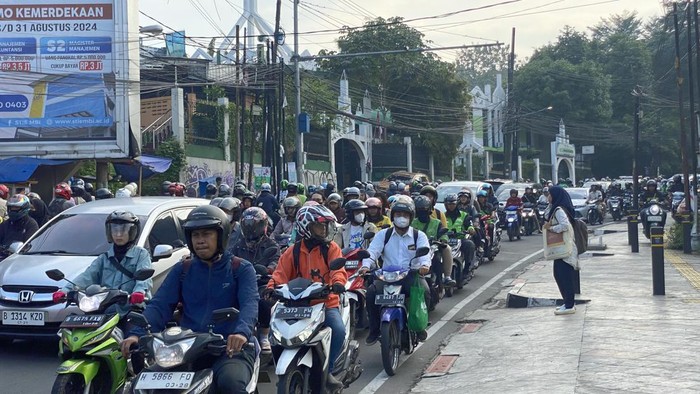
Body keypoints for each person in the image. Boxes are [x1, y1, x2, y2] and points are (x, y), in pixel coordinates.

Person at [120, 205, 259, 393]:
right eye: (195, 235)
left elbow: (250, 304)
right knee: (144, 385)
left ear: (222, 235)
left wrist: (241, 333)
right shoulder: (182, 269)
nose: (200, 241)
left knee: (230, 384)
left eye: (206, 234)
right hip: (185, 349)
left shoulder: (240, 268)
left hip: (230, 349)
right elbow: (159, 305)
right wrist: (136, 333)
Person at [264, 204, 347, 391]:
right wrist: (270, 288)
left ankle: (329, 370)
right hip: (296, 304)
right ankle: (284, 369)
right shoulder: (292, 251)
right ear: (306, 226)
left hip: (325, 304)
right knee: (274, 335)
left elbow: (338, 271)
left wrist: (338, 283)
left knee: (338, 330)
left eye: (326, 226)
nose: (324, 229)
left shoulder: (331, 248)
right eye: (320, 226)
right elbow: (280, 274)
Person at [358, 198, 431, 345]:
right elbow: (372, 252)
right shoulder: (383, 235)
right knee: (371, 293)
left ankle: (419, 325)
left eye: (405, 214)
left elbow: (425, 255)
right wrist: (365, 266)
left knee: (425, 291)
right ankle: (374, 330)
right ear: (393, 217)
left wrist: (424, 266)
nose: (401, 218)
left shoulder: (419, 236)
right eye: (398, 214)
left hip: (411, 276)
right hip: (386, 277)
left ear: (411, 217)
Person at [52, 211, 152, 315]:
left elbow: (144, 280)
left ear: (132, 232)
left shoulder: (141, 254)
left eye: (123, 230)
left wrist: (139, 292)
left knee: (134, 331)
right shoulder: (104, 258)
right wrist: (64, 291)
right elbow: (87, 276)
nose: (118, 234)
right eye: (114, 230)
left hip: (131, 309)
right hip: (105, 308)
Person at [230, 207, 280, 355]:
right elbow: (229, 260)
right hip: (241, 283)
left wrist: (267, 270)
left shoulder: (271, 245)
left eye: (254, 225)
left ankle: (264, 334)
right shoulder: (238, 245)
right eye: (248, 225)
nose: (251, 229)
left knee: (264, 302)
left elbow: (276, 263)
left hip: (262, 282)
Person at [542, 186, 578, 315]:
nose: (548, 197)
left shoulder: (558, 210)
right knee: (560, 275)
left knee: (564, 276)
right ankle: (567, 302)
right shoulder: (557, 208)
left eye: (550, 195)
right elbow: (547, 215)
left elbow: (565, 225)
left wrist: (551, 228)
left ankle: (569, 305)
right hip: (563, 248)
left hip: (564, 249)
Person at [412, 195, 456, 286]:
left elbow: (443, 234)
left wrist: (443, 241)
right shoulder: (412, 223)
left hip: (433, 249)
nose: (422, 212)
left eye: (424, 210)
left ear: (429, 210)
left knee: (446, 250)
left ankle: (446, 277)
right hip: (414, 249)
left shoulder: (436, 222)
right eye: (419, 210)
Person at [443, 193, 477, 272]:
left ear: (456, 204)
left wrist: (471, 229)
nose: (451, 206)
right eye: (449, 204)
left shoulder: (464, 215)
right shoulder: (443, 215)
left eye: (453, 204)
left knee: (470, 244)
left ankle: (467, 268)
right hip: (446, 240)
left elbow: (469, 224)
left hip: (460, 239)